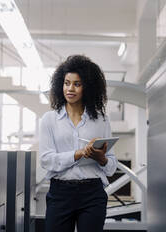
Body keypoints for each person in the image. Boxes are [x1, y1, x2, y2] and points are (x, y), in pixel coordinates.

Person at [39, 55, 118, 232]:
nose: (70, 88)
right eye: (67, 83)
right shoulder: (49, 120)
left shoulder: (101, 120)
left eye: (77, 84)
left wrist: (101, 158)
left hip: (92, 193)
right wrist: (79, 153)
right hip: (60, 193)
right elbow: (46, 160)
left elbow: (112, 167)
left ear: (87, 88)